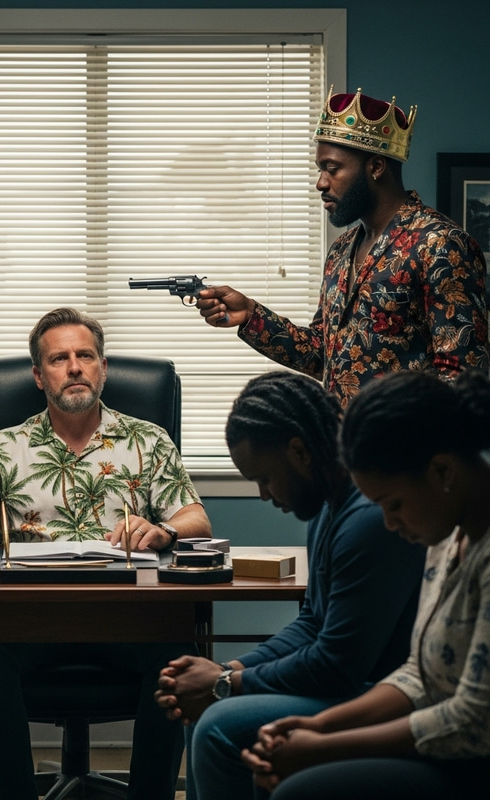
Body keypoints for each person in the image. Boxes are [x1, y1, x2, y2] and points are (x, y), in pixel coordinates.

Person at [0, 306, 212, 800]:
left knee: (177, 652)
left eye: (86, 356)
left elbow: (196, 519)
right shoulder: (3, 447)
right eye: (59, 359)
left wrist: (162, 529)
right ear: (38, 376)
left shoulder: (148, 440)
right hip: (27, 620)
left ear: (103, 368)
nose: (74, 367)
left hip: (127, 619)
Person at [154, 371, 426, 800]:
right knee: (207, 712)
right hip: (350, 683)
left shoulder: (371, 517)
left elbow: (336, 665)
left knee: (217, 726)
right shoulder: (327, 504)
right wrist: (232, 670)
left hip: (384, 695)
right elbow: (312, 622)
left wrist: (224, 682)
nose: (263, 495)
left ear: (298, 451)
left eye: (265, 477)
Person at [242, 368, 490, 800]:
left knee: (299, 789)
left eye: (393, 505)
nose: (390, 524)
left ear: (443, 472)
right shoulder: (447, 536)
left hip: (473, 756)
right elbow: (421, 675)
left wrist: (323, 747)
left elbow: (474, 720)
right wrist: (318, 726)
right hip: (444, 742)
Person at [196, 87, 488, 407]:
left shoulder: (441, 245)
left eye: (332, 169)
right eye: (320, 169)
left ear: (375, 167)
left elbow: (463, 378)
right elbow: (323, 354)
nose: (321, 183)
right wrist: (250, 314)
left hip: (404, 453)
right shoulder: (341, 249)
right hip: (337, 450)